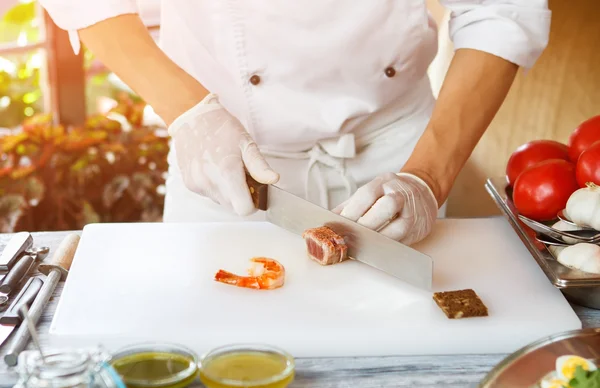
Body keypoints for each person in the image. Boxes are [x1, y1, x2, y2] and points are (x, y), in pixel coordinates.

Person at [38, 1, 551, 245]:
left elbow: (501, 9)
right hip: (222, 164)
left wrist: (427, 178)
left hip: (398, 158)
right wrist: (191, 115)